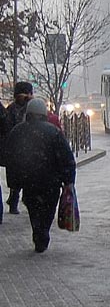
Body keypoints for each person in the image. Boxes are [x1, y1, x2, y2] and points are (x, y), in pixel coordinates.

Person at [2, 98, 77, 252]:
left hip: (29, 181)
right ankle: (43, 233)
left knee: (34, 209)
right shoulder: (53, 132)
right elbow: (67, 158)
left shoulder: (18, 131)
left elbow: (10, 158)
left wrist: (14, 183)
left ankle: (38, 232)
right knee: (48, 209)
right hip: (51, 182)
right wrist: (68, 181)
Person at [5, 81, 35, 214]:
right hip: (15, 149)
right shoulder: (11, 109)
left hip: (29, 148)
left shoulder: (31, 108)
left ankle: (26, 200)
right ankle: (14, 200)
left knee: (29, 178)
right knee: (16, 179)